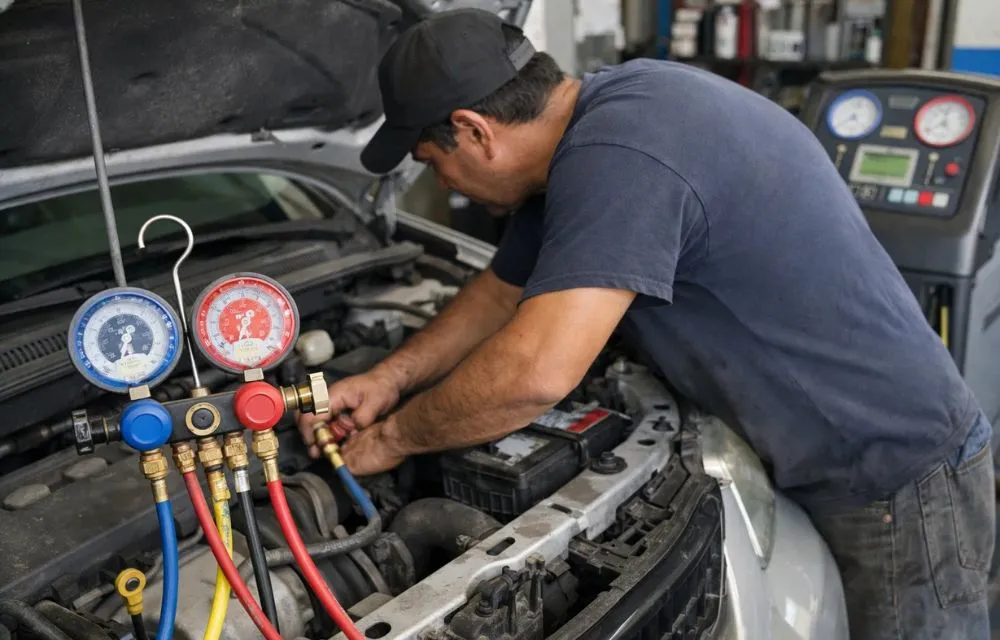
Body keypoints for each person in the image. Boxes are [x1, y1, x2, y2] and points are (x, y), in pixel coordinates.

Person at [297, 8, 996, 638]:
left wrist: (394, 440)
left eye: (433, 163)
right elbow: (497, 297)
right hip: (826, 454)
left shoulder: (622, 154)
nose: (444, 186)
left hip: (893, 475)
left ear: (474, 132)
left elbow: (538, 372)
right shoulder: (599, 122)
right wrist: (389, 379)